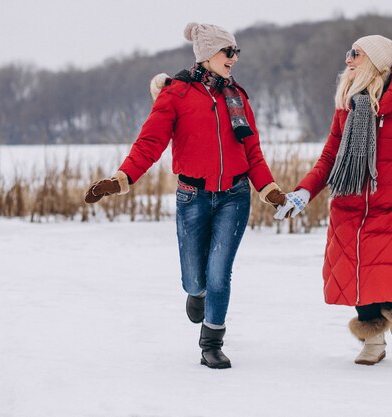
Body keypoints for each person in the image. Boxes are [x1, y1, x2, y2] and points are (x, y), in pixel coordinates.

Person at [84, 22, 286, 369]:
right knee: (195, 277)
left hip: (234, 196)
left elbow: (252, 150)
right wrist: (121, 179)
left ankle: (212, 342)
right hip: (192, 196)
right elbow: (150, 144)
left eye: (236, 51)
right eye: (228, 51)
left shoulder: (237, 97)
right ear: (208, 54)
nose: (234, 58)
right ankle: (198, 291)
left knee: (221, 272)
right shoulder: (175, 95)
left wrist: (268, 188)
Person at [274, 35, 392, 365]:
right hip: (349, 204)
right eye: (349, 53)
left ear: (376, 62)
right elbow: (330, 156)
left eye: (355, 54)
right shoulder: (347, 104)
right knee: (356, 275)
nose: (348, 60)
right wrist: (304, 192)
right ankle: (373, 342)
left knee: (387, 274)